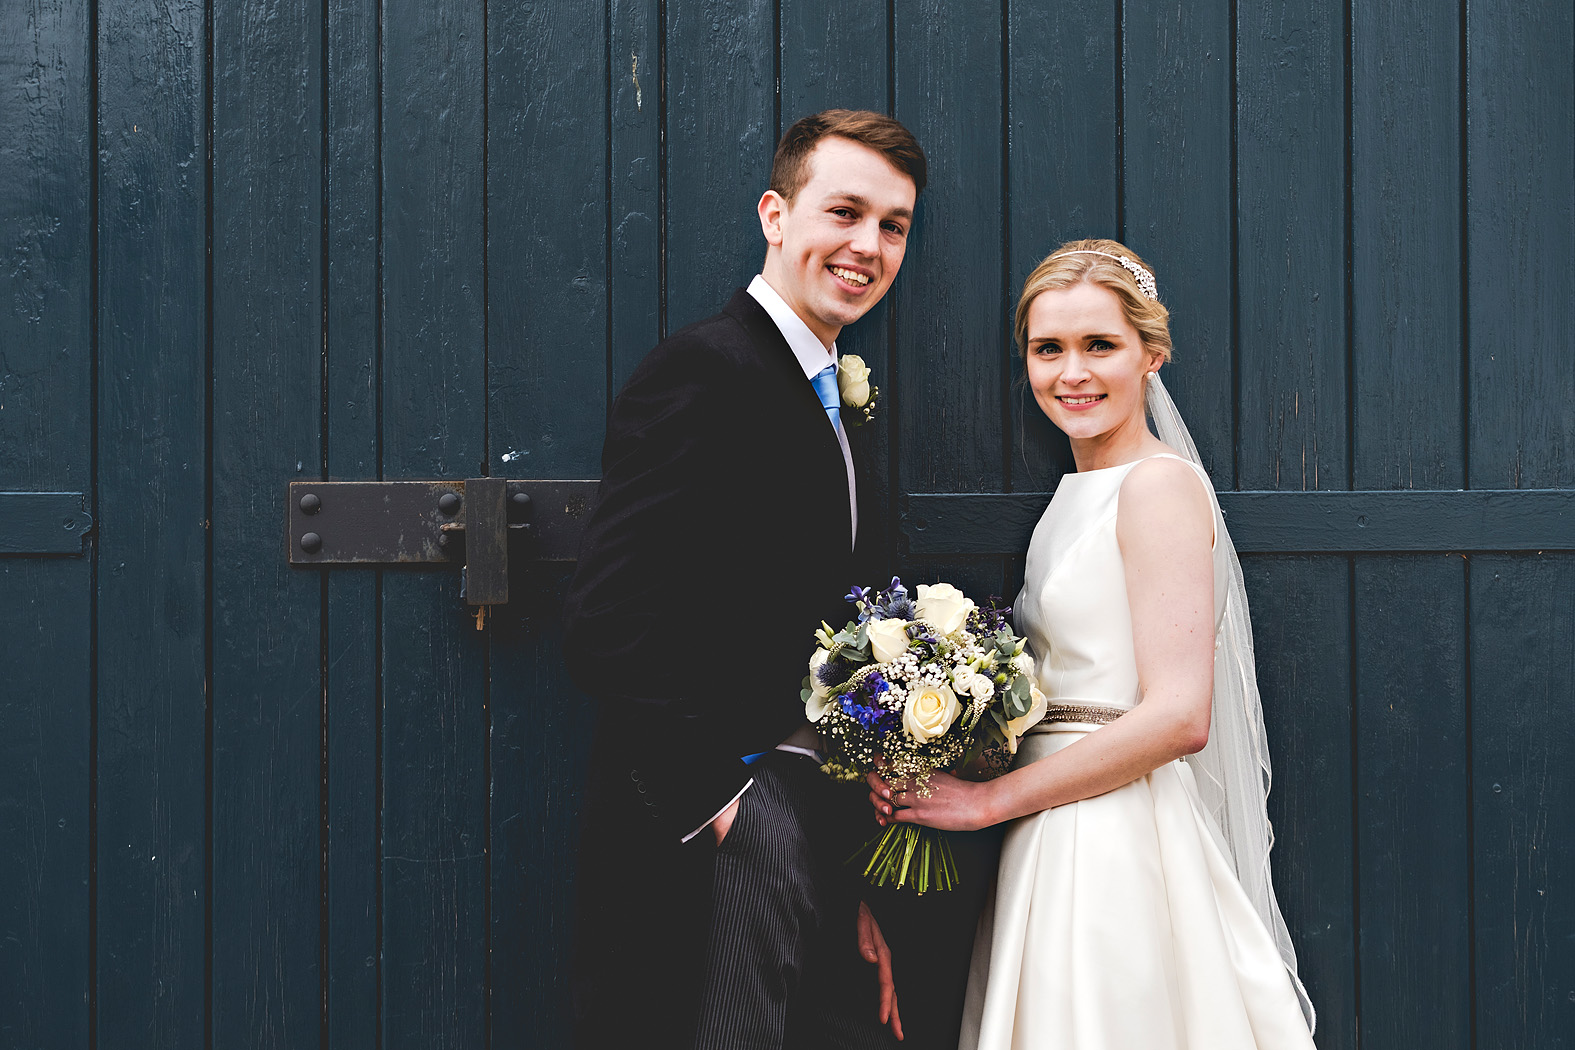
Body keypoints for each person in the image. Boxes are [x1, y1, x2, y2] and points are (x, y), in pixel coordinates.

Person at [868, 239, 1318, 1048]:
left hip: (1112, 841)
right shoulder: (1076, 495)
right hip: (1054, 828)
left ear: (1153, 353)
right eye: (1048, 350)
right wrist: (943, 755)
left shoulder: (1156, 488)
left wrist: (984, 803)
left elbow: (1180, 715)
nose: (1070, 373)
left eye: (1098, 345)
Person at [563, 109, 924, 1050]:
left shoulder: (835, 397)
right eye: (843, 211)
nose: (867, 245)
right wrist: (731, 814)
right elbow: (607, 616)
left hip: (809, 830)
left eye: (892, 225)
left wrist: (839, 881)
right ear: (775, 213)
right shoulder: (702, 371)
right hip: (703, 832)